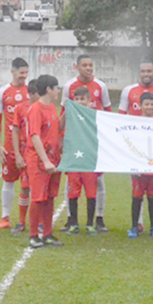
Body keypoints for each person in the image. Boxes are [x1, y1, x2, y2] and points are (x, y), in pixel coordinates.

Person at [119, 61, 153, 235]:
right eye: (143, 71)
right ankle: (138, 224)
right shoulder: (128, 91)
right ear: (139, 73)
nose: (146, 74)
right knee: (137, 189)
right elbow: (120, 119)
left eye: (149, 71)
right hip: (136, 148)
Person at [63, 55, 111, 232]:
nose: (88, 68)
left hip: (93, 146)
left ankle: (98, 219)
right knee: (72, 185)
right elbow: (64, 111)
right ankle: (71, 220)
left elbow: (108, 112)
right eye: (84, 65)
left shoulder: (101, 86)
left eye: (91, 65)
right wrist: (62, 140)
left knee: (97, 183)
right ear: (77, 67)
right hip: (75, 148)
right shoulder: (69, 86)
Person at [25, 74, 64, 249]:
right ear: (48, 89)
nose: (58, 91)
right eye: (56, 88)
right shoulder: (36, 109)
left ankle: (47, 233)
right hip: (40, 160)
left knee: (50, 197)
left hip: (54, 158)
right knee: (38, 197)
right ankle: (34, 235)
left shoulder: (52, 108)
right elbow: (35, 136)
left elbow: (56, 129)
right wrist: (45, 160)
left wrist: (69, 113)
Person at [0, 58, 30, 230]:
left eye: (26, 73)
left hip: (28, 145)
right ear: (12, 71)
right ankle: (5, 217)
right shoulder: (2, 92)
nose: (24, 76)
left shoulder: (31, 91)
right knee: (8, 180)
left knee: (27, 183)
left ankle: (24, 219)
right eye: (21, 73)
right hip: (9, 145)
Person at [127, 92, 153, 240]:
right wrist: (132, 167)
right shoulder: (134, 124)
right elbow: (129, 145)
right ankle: (134, 226)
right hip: (139, 168)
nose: (149, 107)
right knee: (137, 197)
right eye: (146, 104)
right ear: (140, 106)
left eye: (152, 104)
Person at [63, 86, 98, 235]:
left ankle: (90, 224)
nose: (79, 102)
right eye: (76, 99)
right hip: (74, 161)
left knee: (91, 193)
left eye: (82, 99)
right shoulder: (69, 116)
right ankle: (73, 223)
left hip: (89, 161)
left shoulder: (95, 116)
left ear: (89, 101)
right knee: (73, 193)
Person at [9, 77, 40, 235]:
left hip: (41, 153)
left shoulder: (45, 108)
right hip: (26, 151)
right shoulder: (21, 108)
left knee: (40, 188)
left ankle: (40, 222)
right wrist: (18, 155)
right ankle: (21, 221)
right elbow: (15, 130)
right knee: (25, 187)